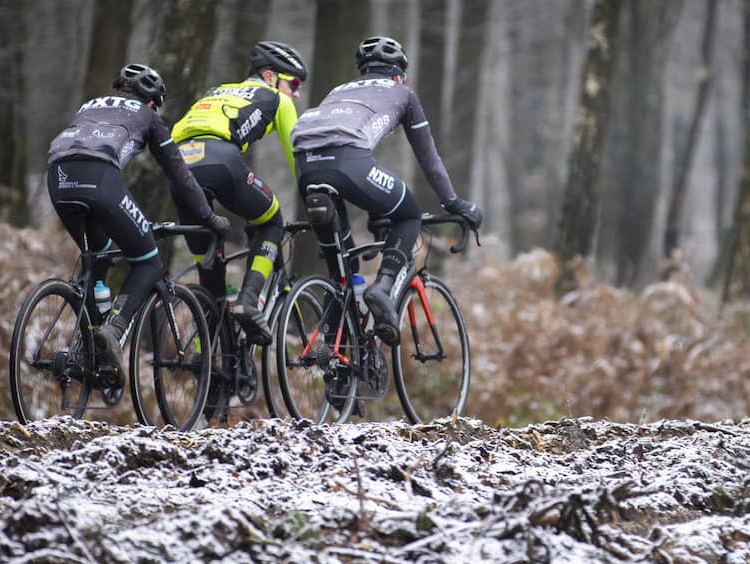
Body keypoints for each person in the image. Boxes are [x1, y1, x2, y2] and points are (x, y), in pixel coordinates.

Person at [291, 35, 482, 344]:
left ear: (363, 70)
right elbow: (429, 159)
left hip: (306, 167)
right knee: (409, 215)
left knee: (342, 270)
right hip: (348, 161)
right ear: (399, 75)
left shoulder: (338, 91)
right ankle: (383, 286)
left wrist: (376, 210)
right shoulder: (403, 93)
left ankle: (332, 353)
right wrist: (454, 203)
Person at [47, 63, 230, 376]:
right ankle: (115, 329)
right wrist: (208, 217)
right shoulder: (148, 115)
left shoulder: (90, 105)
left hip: (57, 178)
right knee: (148, 262)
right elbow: (180, 174)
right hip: (99, 178)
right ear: (153, 100)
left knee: (98, 255)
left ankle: (87, 349)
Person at [170, 40, 307, 345]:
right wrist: (318, 199)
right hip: (220, 158)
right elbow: (299, 159)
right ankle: (249, 298)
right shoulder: (277, 99)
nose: (296, 93)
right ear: (270, 76)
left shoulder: (216, 91)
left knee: (211, 281)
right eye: (294, 84)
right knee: (271, 221)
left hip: (178, 165)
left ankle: (211, 360)